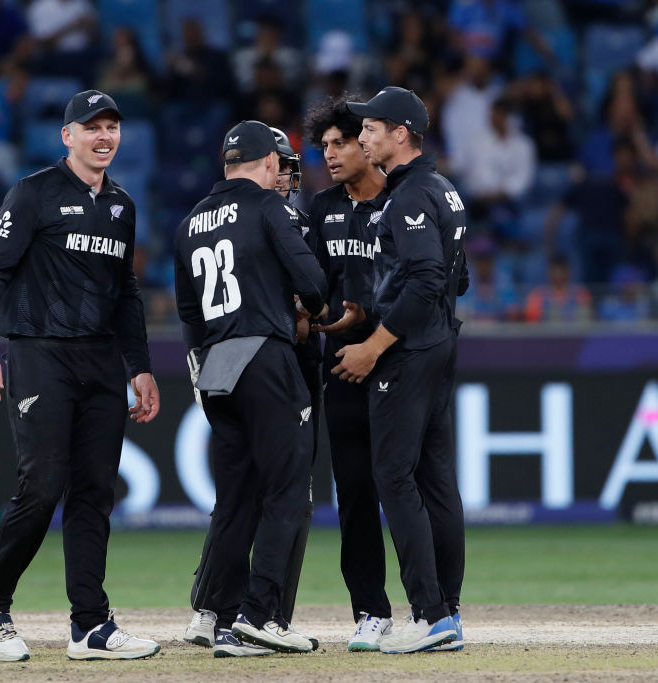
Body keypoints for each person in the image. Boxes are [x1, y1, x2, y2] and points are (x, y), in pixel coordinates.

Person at [0, 90, 161, 663]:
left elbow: (125, 292)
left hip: (101, 363)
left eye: (112, 128)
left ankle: (90, 625)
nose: (105, 137)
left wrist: (140, 367)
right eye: (92, 127)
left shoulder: (123, 205)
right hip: (39, 355)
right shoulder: (31, 193)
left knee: (95, 493)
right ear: (67, 136)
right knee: (43, 484)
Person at [174, 120, 327, 655]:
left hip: (215, 364)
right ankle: (260, 615)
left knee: (235, 495)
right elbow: (313, 283)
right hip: (265, 354)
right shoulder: (269, 208)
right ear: (267, 162)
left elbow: (189, 313)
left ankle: (211, 612)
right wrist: (309, 309)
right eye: (280, 165)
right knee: (288, 489)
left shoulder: (190, 221)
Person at [337, 86, 468, 653]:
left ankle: (430, 615)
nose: (362, 134)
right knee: (437, 482)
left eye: (372, 127)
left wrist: (375, 344)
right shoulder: (443, 189)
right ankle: (449, 611)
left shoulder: (410, 195)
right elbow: (456, 281)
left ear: (402, 134)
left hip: (408, 353)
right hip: (439, 344)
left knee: (394, 476)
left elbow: (428, 280)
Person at [302, 94, 394, 651]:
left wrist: (372, 322)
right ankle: (371, 611)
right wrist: (315, 318)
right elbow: (309, 285)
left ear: (367, 141)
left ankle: (436, 607)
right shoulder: (320, 208)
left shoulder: (404, 200)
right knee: (355, 492)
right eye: (324, 147)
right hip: (341, 368)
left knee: (410, 488)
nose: (330, 155)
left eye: (340, 143)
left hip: (399, 362)